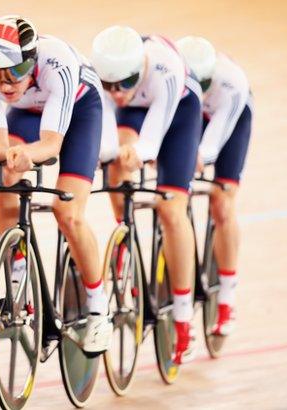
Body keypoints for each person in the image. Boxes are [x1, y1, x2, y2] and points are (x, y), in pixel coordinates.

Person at [0, 15, 118, 354]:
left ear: (33, 61)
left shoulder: (57, 63)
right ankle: (18, 270)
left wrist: (28, 154)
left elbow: (51, 146)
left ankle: (99, 307)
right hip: (28, 114)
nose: (6, 83)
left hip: (79, 113)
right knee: (4, 173)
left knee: (68, 213)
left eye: (15, 72)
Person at [91, 26, 203, 363]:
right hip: (136, 112)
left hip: (179, 110)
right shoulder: (110, 85)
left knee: (171, 210)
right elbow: (108, 133)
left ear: (139, 68)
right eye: (109, 85)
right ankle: (125, 238)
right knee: (116, 164)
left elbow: (151, 143)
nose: (117, 92)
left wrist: (137, 152)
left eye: (123, 83)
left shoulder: (164, 68)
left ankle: (184, 319)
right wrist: (113, 153)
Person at [177, 36, 253, 336]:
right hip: (191, 113)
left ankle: (226, 299)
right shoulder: (177, 80)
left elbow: (209, 149)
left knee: (222, 204)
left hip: (229, 119)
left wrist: (191, 158)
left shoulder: (231, 83)